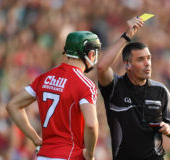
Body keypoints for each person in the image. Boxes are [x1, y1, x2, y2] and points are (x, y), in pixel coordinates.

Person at [6, 31, 101, 160]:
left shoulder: (44, 77)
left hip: (43, 155)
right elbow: (91, 125)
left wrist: (35, 138)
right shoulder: (85, 85)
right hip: (69, 155)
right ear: (90, 54)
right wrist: (90, 155)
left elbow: (13, 105)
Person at [97, 18, 170, 159]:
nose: (147, 63)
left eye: (149, 58)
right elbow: (101, 67)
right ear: (128, 64)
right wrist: (127, 35)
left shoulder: (160, 90)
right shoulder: (115, 87)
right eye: (141, 60)